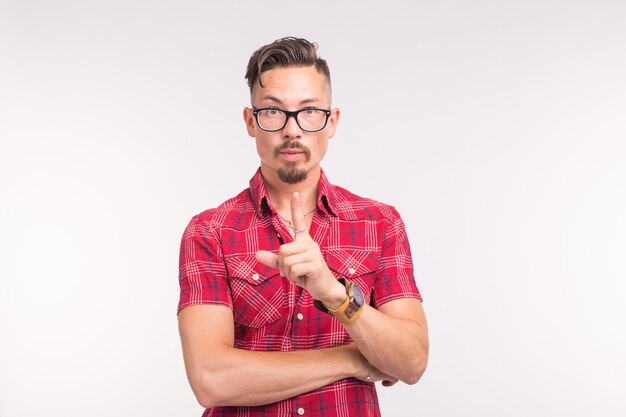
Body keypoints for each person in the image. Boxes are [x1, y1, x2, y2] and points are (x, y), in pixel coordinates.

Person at [177, 37, 429, 417]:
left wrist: (335, 294)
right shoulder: (210, 232)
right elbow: (211, 379)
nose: (292, 130)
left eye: (309, 110)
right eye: (274, 112)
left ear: (332, 122)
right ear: (251, 122)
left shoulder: (379, 223)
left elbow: (411, 361)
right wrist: (352, 359)